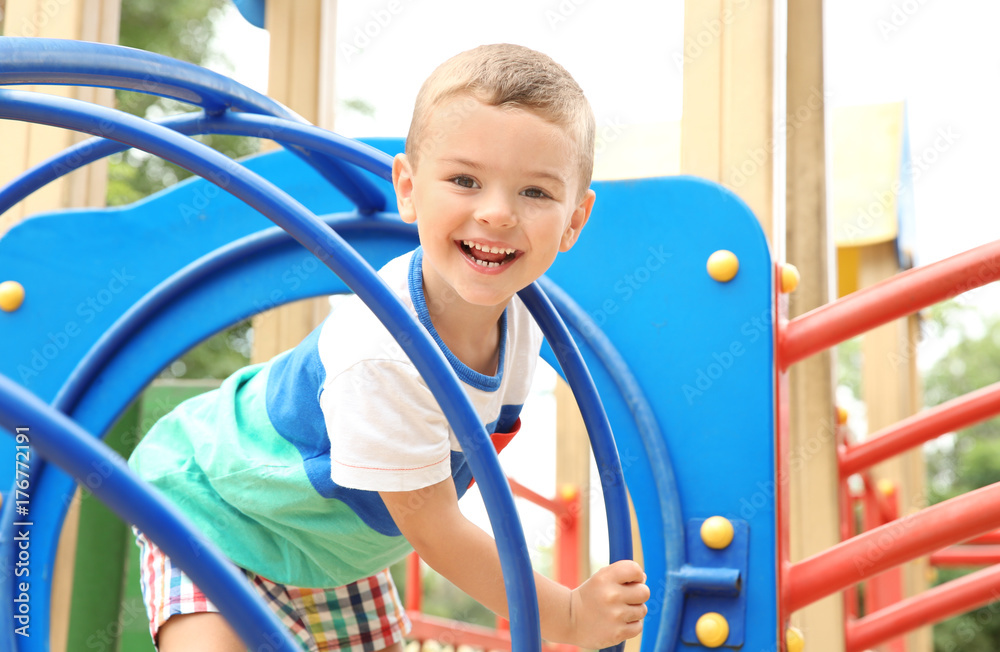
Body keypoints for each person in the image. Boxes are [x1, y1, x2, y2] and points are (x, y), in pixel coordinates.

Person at [129, 42, 649, 652]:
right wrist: (566, 615)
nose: (497, 213)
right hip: (213, 505)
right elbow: (435, 528)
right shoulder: (381, 351)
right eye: (465, 180)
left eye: (535, 192)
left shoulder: (524, 326)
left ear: (574, 220)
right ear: (407, 188)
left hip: (324, 548)